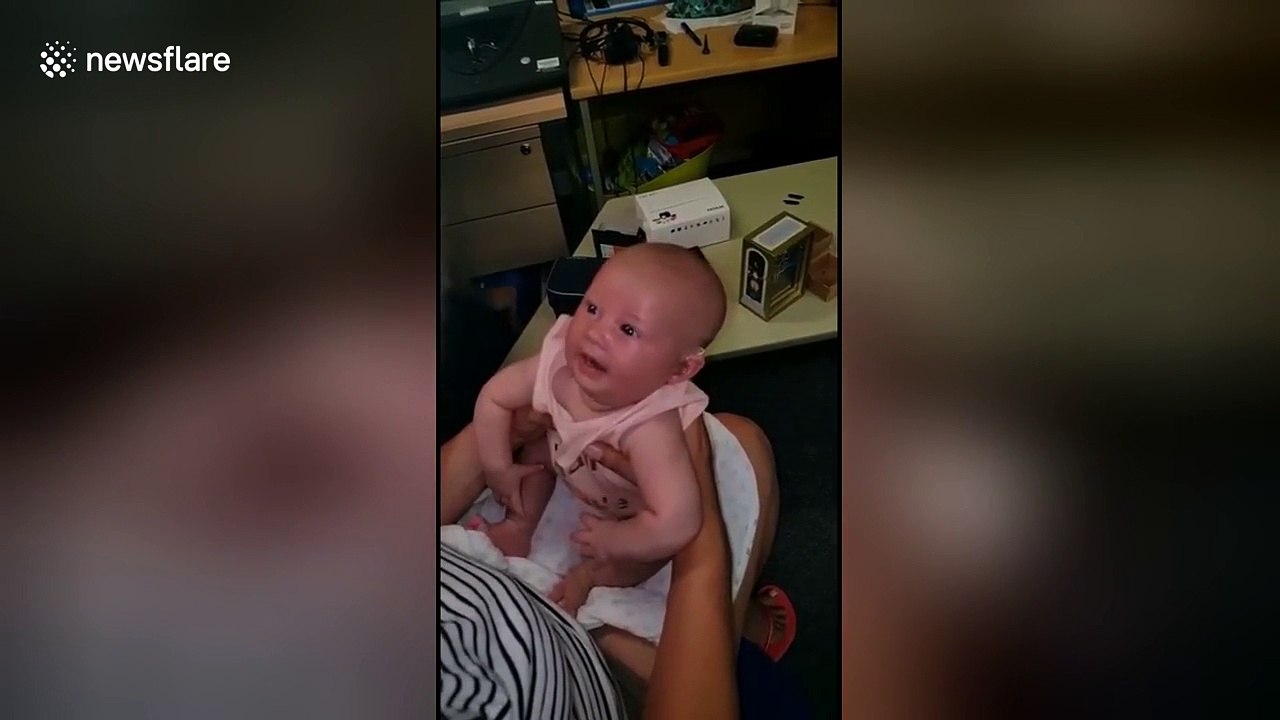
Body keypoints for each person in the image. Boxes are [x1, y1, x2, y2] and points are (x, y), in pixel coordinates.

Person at [439, 400, 800, 718]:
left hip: (486, 566)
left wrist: (510, 426)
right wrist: (693, 513)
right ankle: (743, 642)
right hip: (583, 652)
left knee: (729, 439)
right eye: (593, 315)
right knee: (742, 445)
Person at [467, 243, 729, 610]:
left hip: (629, 509)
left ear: (680, 370)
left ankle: (587, 578)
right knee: (536, 451)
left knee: (648, 556)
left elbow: (678, 522)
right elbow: (494, 397)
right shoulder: (558, 362)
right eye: (592, 308)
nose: (595, 332)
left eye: (627, 329)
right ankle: (520, 525)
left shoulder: (651, 426)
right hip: (569, 466)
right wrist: (499, 469)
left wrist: (621, 538)